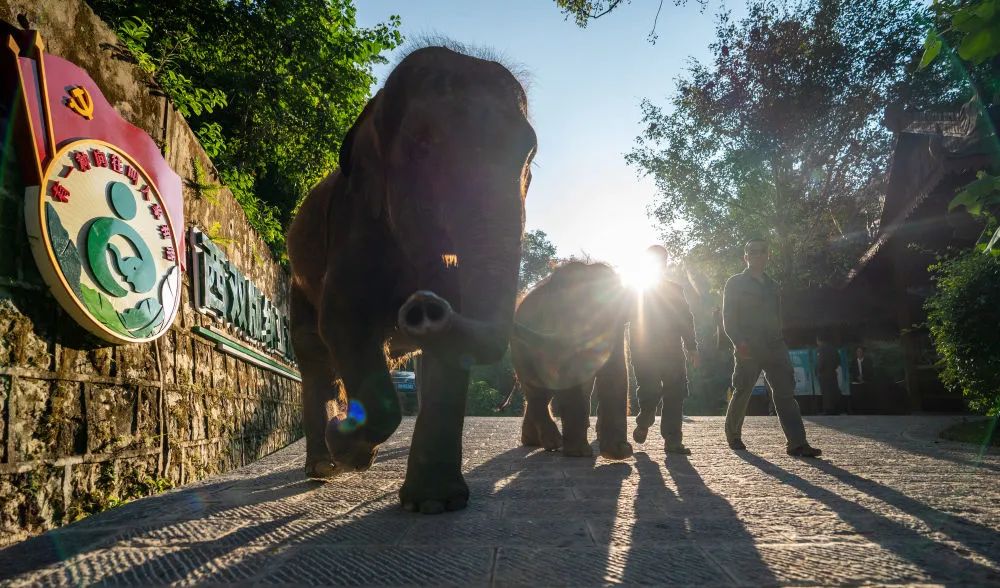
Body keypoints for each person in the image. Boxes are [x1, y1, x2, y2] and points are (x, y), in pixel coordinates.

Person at [722, 239, 822, 457]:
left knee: (786, 392)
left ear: (768, 255)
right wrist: (739, 341)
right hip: (748, 344)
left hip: (775, 345)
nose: (758, 255)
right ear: (745, 257)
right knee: (743, 389)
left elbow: (778, 316)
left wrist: (782, 339)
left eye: (762, 252)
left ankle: (797, 442)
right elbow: (728, 317)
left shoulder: (773, 285)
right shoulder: (735, 283)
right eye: (753, 252)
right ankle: (734, 435)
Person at [630, 246, 700, 455]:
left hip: (672, 351)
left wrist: (692, 347)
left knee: (675, 394)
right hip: (644, 350)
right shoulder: (636, 290)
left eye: (662, 259)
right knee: (650, 391)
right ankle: (645, 420)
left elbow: (685, 319)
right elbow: (621, 316)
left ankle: (672, 440)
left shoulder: (675, 289)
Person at [815, 333, 842, 415]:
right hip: (833, 374)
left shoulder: (820, 349)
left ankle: (828, 410)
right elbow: (838, 361)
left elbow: (820, 363)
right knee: (833, 391)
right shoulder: (833, 348)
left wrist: (818, 371)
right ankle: (836, 409)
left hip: (824, 375)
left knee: (826, 392)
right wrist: (832, 368)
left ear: (819, 341)